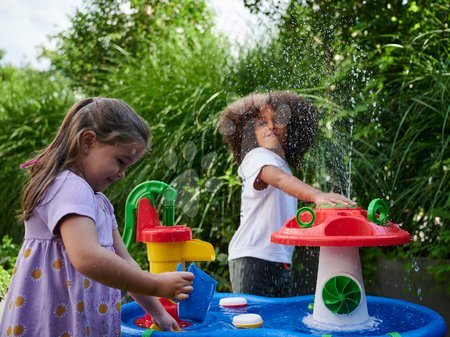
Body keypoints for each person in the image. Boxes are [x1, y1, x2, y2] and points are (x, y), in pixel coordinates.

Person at [0, 97, 194, 336]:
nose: (122, 174)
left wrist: (157, 313)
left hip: (77, 323)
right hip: (53, 325)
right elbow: (86, 257)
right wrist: (155, 284)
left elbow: (126, 264)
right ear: (88, 141)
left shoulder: (100, 203)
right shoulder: (68, 186)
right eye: (120, 161)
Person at [219, 91, 354, 297]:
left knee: (275, 323)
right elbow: (280, 180)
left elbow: (284, 205)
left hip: (279, 261)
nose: (271, 126)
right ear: (249, 134)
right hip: (253, 258)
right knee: (255, 324)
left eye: (278, 120)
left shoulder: (283, 166)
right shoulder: (256, 157)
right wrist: (317, 195)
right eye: (262, 123)